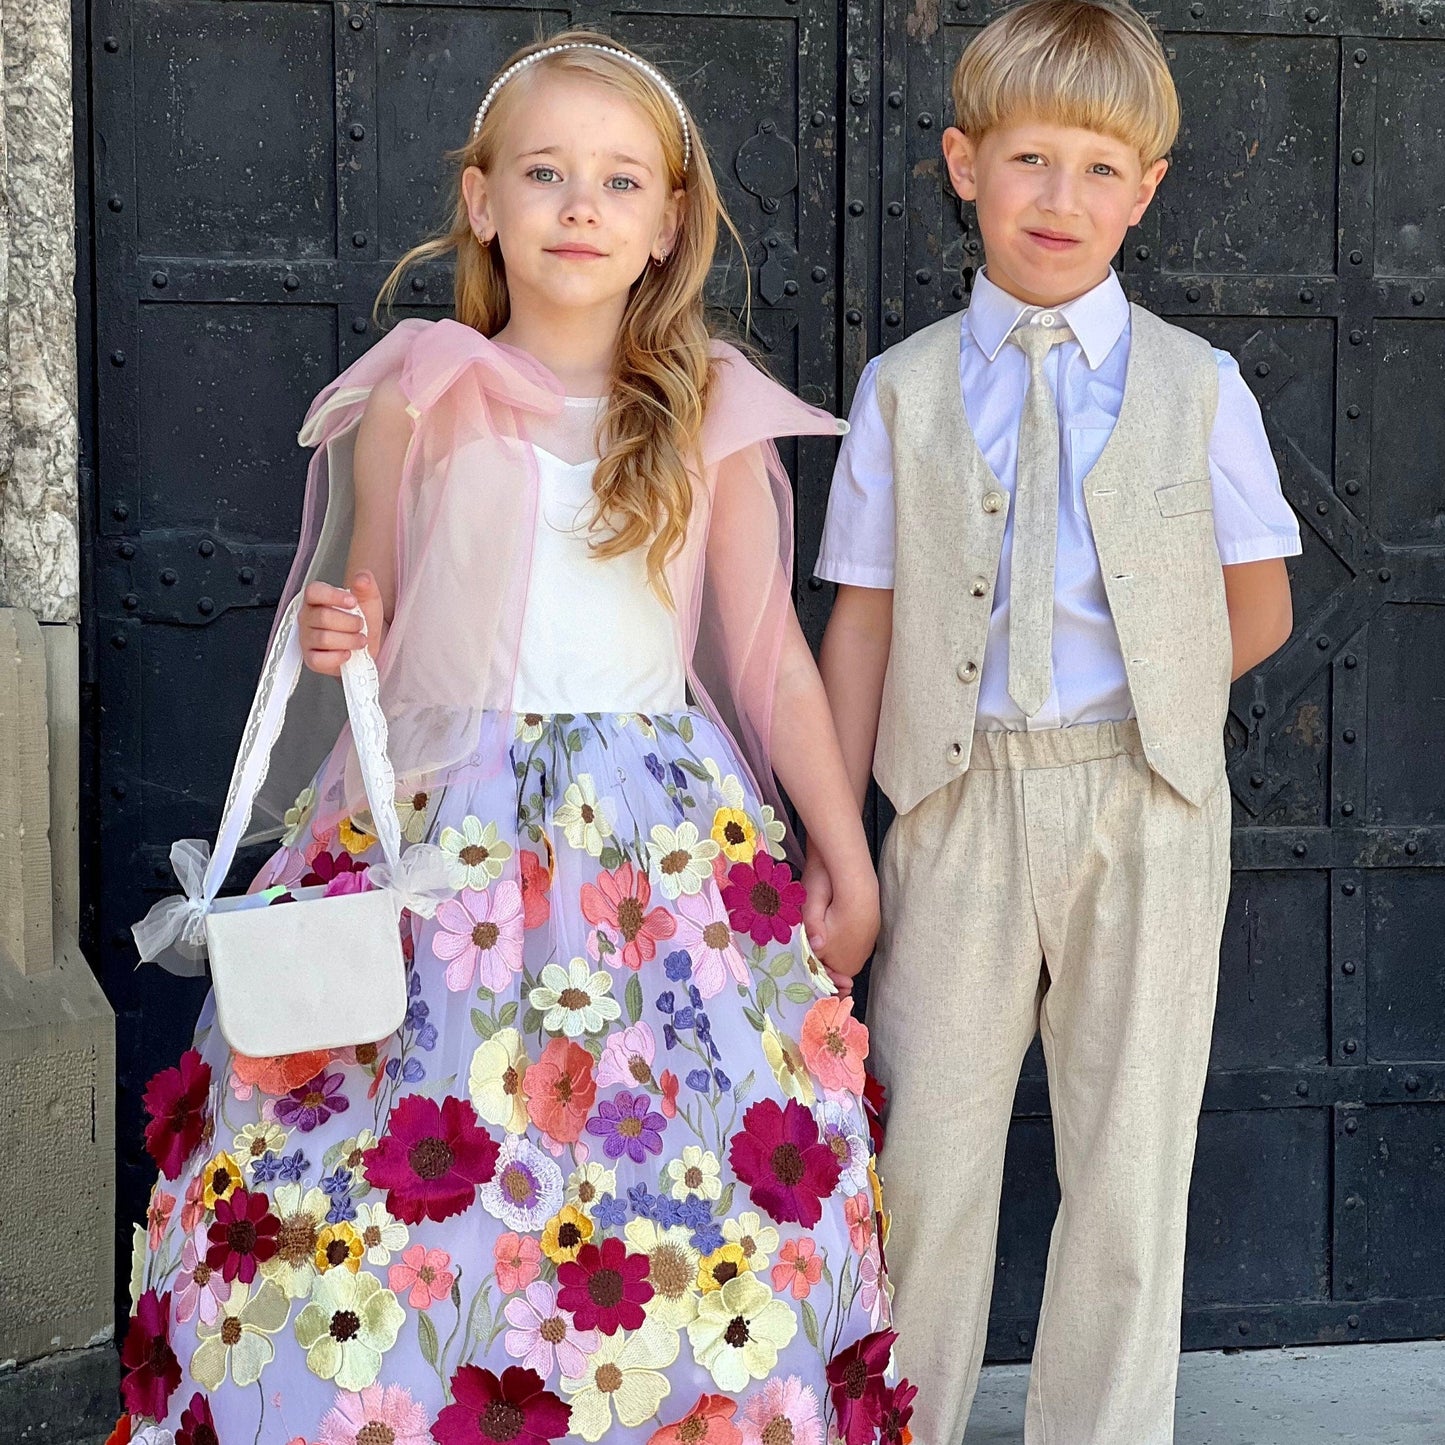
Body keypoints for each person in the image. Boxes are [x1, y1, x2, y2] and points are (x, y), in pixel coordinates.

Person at [120, 31, 905, 1444]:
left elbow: (769, 655)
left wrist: (843, 855)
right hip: (440, 831)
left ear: (668, 221)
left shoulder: (707, 409)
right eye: (544, 173)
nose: (579, 205)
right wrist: (337, 622)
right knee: (413, 1176)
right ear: (480, 200)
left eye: (617, 181)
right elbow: (372, 586)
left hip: (651, 851)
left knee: (674, 1182)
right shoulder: (418, 385)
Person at [806, 3, 1300, 1442]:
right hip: (953, 810)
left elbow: (1250, 609)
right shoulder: (901, 391)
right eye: (1028, 159)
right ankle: (901, 1418)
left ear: (1143, 191)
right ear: (964, 166)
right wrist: (841, 842)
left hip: (1140, 804)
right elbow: (863, 624)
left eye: (1098, 170)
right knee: (925, 1160)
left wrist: (1146, 708)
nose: (1058, 199)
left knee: (1129, 1164)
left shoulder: (1197, 386)